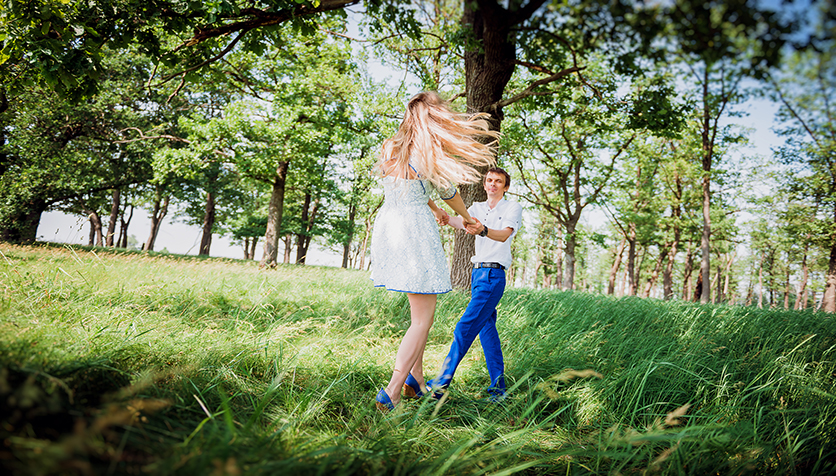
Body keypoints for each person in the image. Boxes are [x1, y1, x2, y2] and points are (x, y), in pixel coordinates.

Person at [369, 91, 499, 412]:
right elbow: (451, 193)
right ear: (434, 118)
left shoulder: (391, 146)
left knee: (418, 312)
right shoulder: (430, 154)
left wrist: (434, 208)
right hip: (415, 231)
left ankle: (416, 380)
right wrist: (467, 217)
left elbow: (408, 185)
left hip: (389, 225)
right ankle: (393, 390)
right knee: (422, 320)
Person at [417, 167, 522, 402]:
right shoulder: (476, 208)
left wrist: (482, 230)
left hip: (493, 276)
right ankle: (499, 390)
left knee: (464, 328)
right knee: (487, 331)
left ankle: (440, 384)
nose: (492, 184)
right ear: (484, 184)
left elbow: (504, 235)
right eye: (489, 180)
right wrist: (442, 215)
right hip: (477, 275)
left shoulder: (511, 207)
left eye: (498, 181)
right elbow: (458, 221)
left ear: (505, 187)